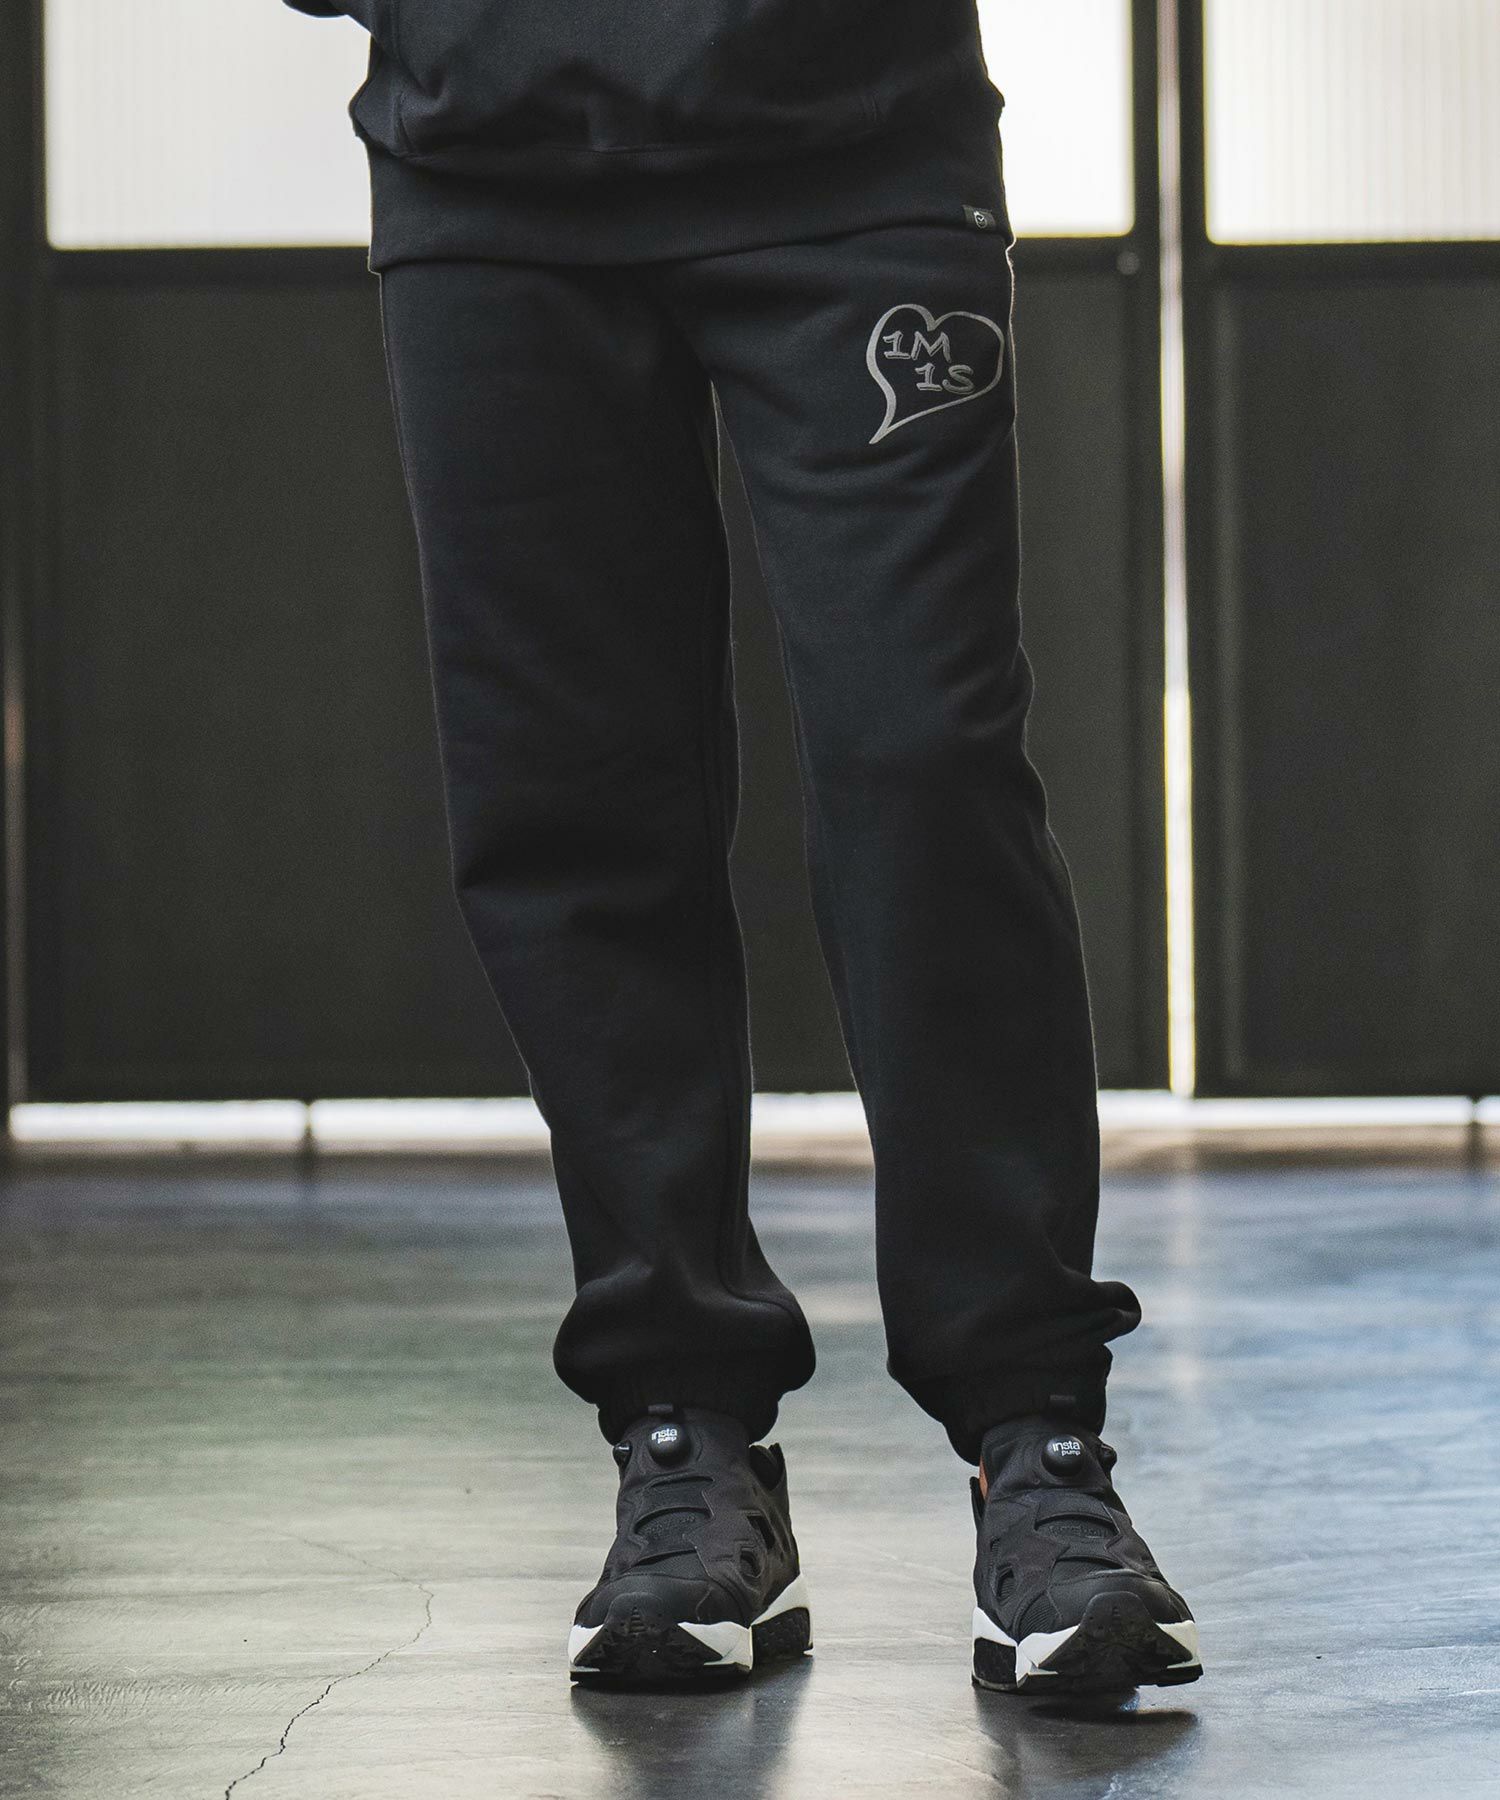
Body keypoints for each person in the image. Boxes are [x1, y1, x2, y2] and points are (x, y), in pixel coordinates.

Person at [285, 0, 1201, 1694]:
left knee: (925, 764)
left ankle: (1036, 1438)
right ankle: (682, 1428)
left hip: (858, 158)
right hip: (491, 186)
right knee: (572, 800)